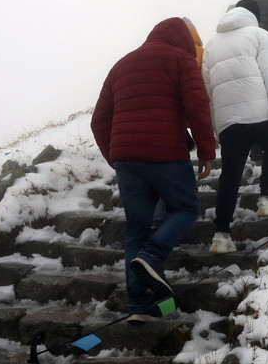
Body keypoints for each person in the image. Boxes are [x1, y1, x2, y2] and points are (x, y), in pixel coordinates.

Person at [90, 17, 216, 323]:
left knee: (136, 228)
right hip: (166, 154)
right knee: (186, 207)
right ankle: (151, 256)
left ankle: (137, 307)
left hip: (127, 160)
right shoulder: (181, 60)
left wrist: (116, 157)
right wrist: (206, 149)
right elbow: (198, 106)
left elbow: (98, 120)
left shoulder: (121, 65)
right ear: (184, 41)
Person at [201, 0, 268, 254]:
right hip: (259, 113)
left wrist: (216, 128)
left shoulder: (211, 45)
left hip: (228, 121)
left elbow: (207, 90)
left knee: (230, 175)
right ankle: (266, 199)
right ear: (254, 16)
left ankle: (221, 235)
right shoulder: (260, 35)